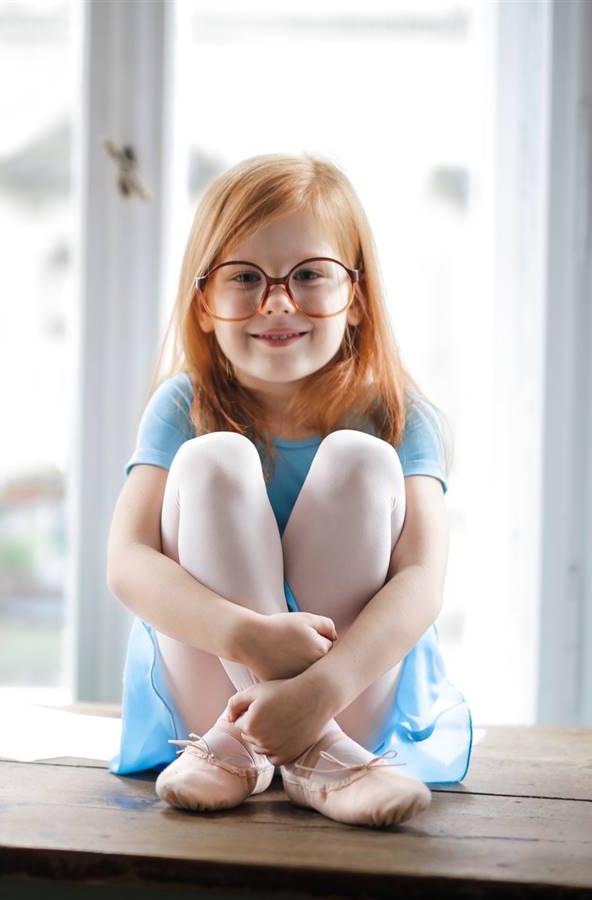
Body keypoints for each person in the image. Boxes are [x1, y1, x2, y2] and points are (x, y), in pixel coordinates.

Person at [106, 152, 472, 829]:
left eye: (310, 275)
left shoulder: (399, 414)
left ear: (356, 300)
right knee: (212, 460)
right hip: (211, 690)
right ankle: (320, 759)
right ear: (205, 305)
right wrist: (246, 636)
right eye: (244, 278)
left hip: (349, 688)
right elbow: (127, 563)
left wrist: (323, 688)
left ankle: (298, 739)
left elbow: (423, 580)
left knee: (361, 461)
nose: (277, 301)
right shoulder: (181, 406)